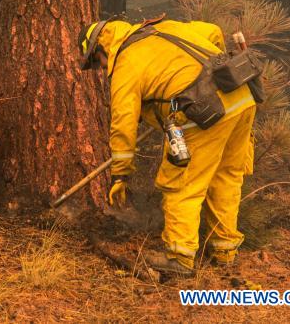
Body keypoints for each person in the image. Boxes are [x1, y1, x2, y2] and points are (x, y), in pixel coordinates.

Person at [79, 17, 258, 275]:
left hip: (204, 111)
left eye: (96, 63)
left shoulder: (126, 63)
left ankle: (180, 257)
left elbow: (123, 123)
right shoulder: (162, 28)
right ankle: (224, 249)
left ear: (101, 49)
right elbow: (213, 30)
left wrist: (121, 174)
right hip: (241, 95)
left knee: (183, 183)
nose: (100, 69)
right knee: (226, 176)